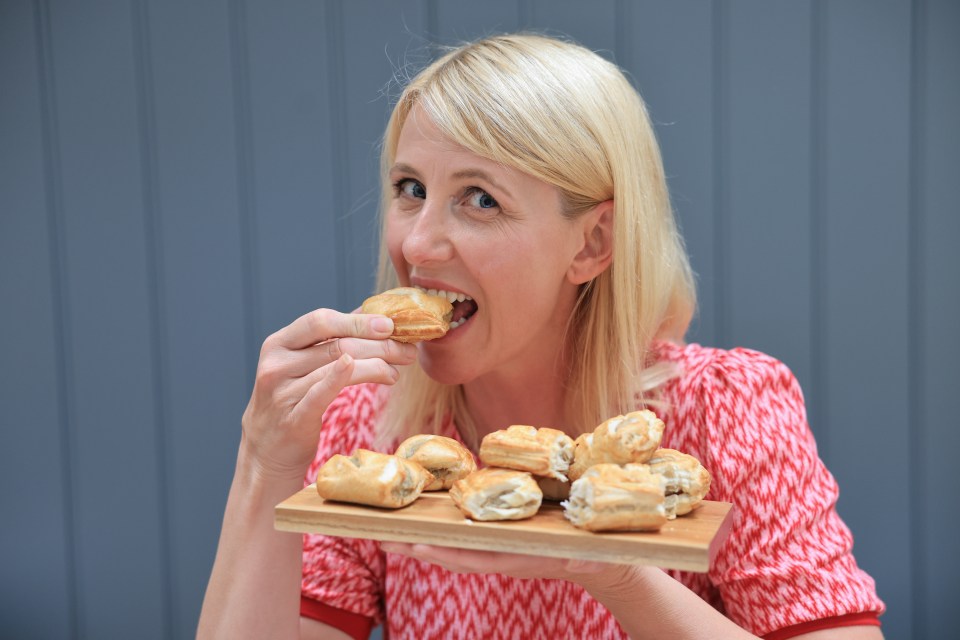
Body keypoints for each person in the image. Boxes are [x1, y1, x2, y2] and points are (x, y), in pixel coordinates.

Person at [198, 33, 885, 639]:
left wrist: (610, 571)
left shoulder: (729, 412)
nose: (417, 242)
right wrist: (265, 464)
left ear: (591, 243)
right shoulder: (373, 430)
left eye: (480, 198)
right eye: (411, 188)